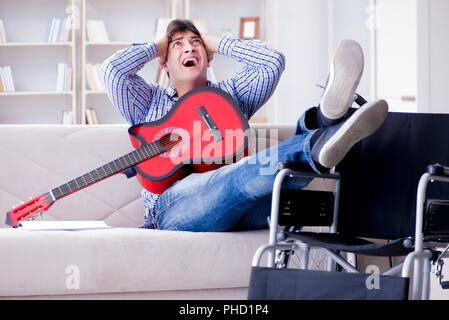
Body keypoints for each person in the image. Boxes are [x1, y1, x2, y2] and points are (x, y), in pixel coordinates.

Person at [101, 19, 388, 232]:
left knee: (281, 187)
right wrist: (160, 44)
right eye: (179, 45)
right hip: (172, 210)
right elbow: (112, 72)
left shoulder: (230, 96)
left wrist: (211, 41)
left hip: (236, 202)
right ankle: (319, 134)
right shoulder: (149, 102)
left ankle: (323, 123)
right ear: (164, 64)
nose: (189, 47)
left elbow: (272, 63)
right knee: (236, 176)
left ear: (208, 56)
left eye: (194, 43)